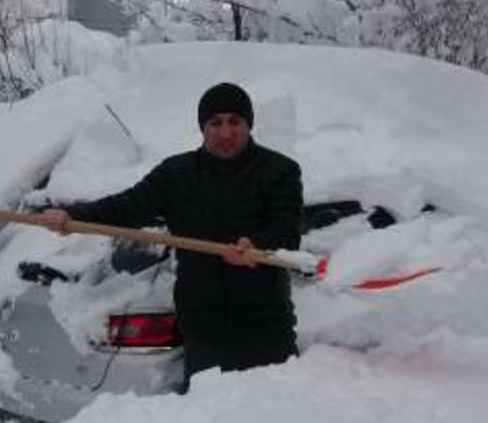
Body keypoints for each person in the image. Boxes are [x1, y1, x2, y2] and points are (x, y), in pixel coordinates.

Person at [37, 82, 303, 386]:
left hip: (265, 325)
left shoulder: (280, 171)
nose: (226, 132)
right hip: (204, 327)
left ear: (248, 124)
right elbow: (127, 206)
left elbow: (287, 231)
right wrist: (73, 216)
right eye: (215, 123)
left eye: (235, 121)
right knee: (210, 421)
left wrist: (257, 245)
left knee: (271, 422)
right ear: (202, 127)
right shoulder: (177, 174)